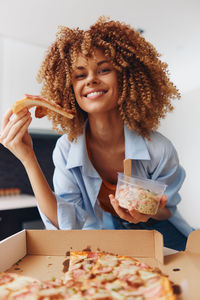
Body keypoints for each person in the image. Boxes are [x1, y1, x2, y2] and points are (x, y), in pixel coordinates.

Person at [0, 17, 194, 251]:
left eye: (104, 70)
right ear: (70, 88)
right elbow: (66, 222)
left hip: (161, 233)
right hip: (105, 237)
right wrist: (28, 158)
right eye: (80, 75)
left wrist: (146, 212)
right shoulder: (65, 148)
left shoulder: (159, 148)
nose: (91, 79)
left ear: (126, 78)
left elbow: (167, 208)